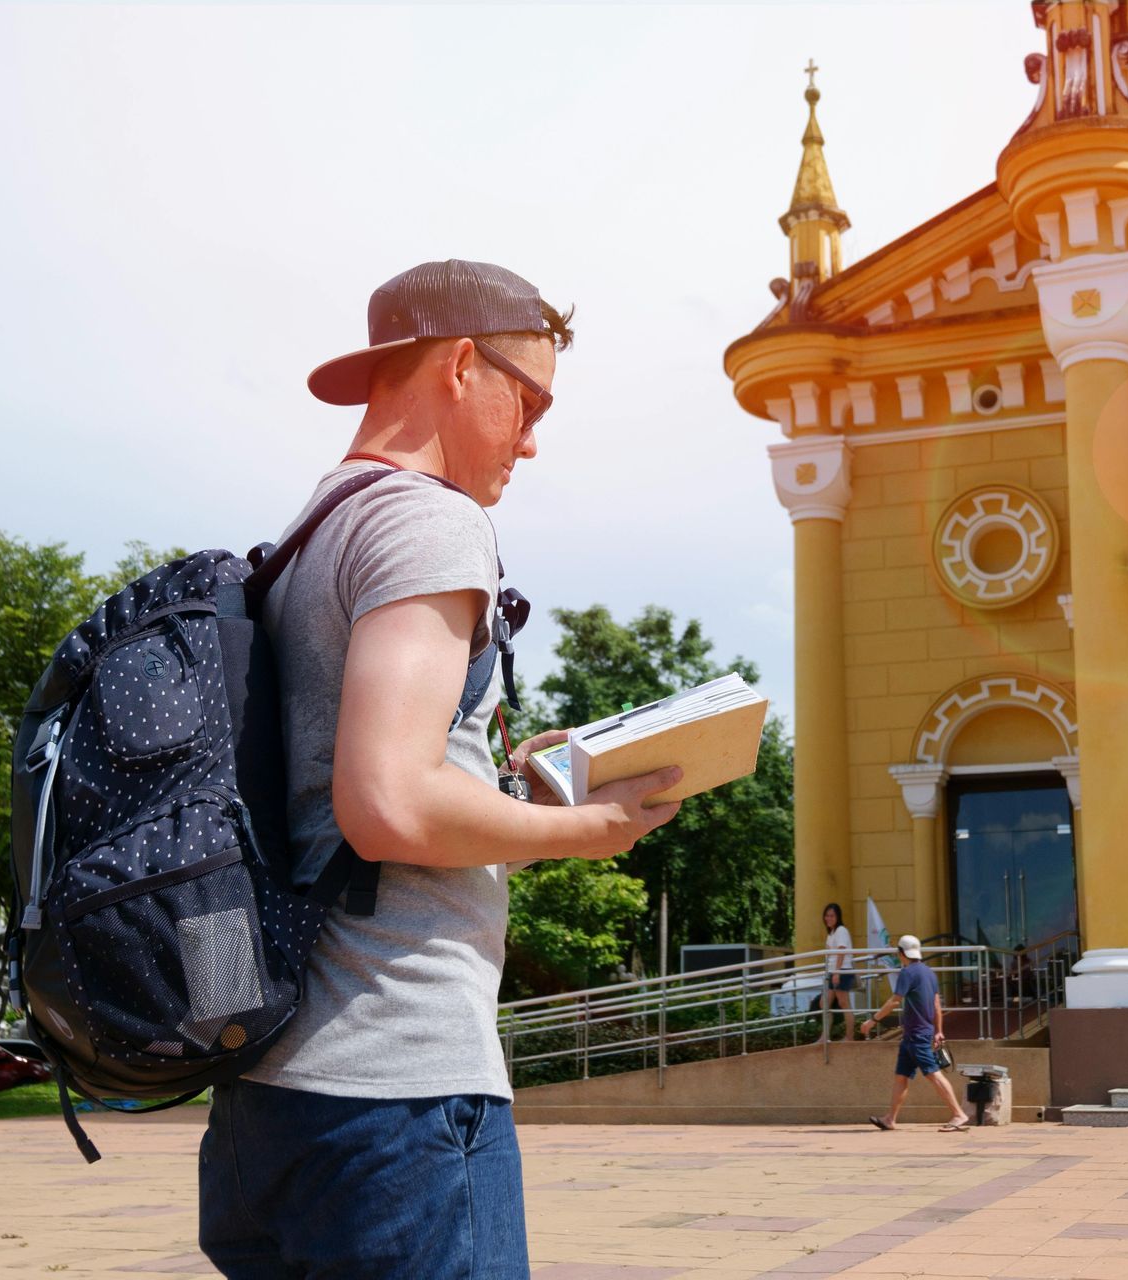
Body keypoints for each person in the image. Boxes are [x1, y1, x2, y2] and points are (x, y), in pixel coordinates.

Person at [198, 259, 685, 1279]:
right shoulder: (430, 519)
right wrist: (590, 830)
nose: (536, 435)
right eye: (532, 398)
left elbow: (347, 778)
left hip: (269, 1103)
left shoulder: (306, 533)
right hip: (397, 1086)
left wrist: (505, 776)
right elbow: (388, 802)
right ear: (463, 365)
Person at [860, 935, 970, 1132]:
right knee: (901, 1077)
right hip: (913, 1035)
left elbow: (894, 1001)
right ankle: (890, 1119)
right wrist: (939, 1031)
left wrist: (872, 1020)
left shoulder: (907, 973)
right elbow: (937, 1004)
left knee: (934, 1074)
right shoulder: (929, 973)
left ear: (901, 953)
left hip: (917, 1035)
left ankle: (958, 1114)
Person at [817, 901, 856, 1043]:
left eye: (832, 915)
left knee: (844, 1003)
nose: (828, 918)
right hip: (833, 972)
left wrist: (837, 972)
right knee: (824, 1003)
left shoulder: (841, 931)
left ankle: (849, 1037)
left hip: (842, 971)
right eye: (826, 915)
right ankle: (825, 1036)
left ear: (838, 917)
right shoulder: (831, 933)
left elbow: (841, 951)